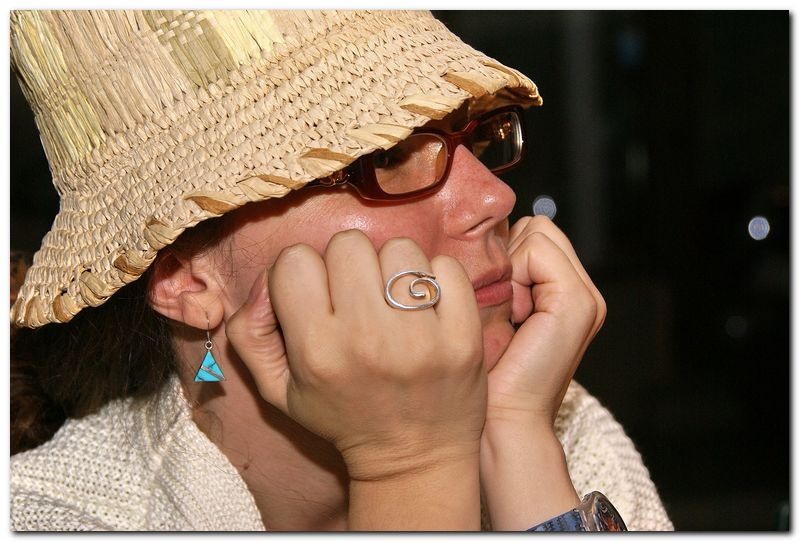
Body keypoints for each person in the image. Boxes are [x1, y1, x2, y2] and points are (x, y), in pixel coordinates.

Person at [9, 10, 673, 531]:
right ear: (187, 279)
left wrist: (515, 440)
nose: (494, 198)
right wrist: (410, 463)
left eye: (476, 138)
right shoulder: (50, 520)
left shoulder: (556, 420)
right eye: (384, 157)